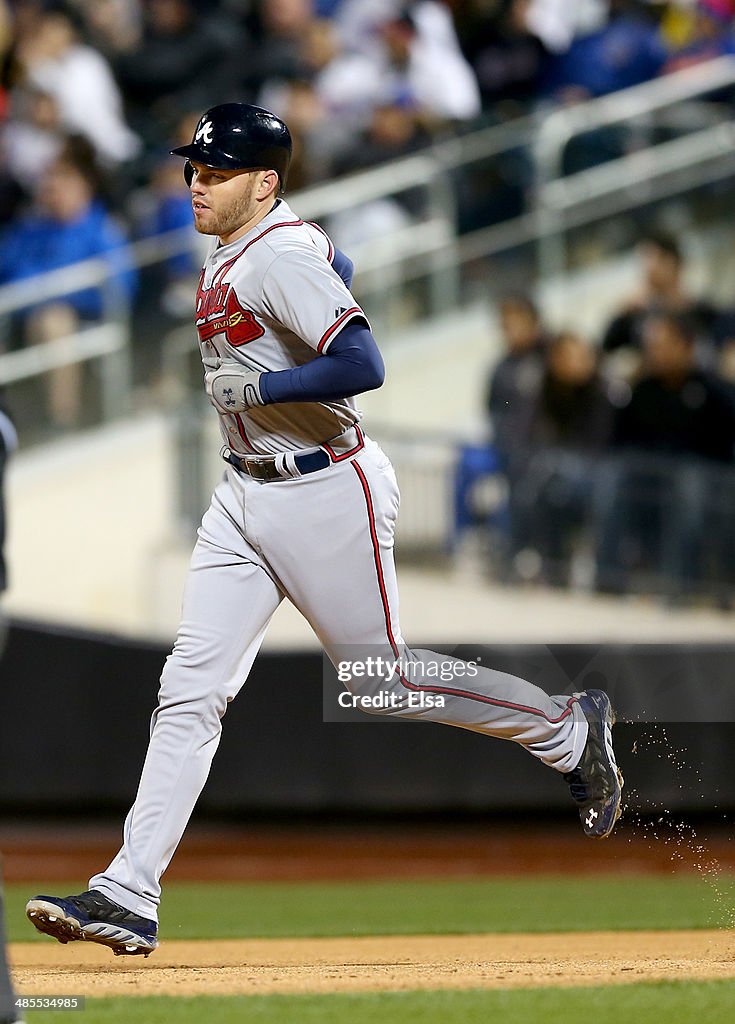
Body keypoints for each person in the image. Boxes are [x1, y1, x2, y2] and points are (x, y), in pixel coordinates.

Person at [26, 103, 623, 957]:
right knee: (189, 692)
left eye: (217, 170)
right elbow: (336, 258)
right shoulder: (253, 242)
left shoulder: (277, 252)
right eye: (194, 167)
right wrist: (315, 254)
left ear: (263, 183)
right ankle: (129, 892)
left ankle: (566, 726)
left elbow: (363, 361)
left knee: (382, 682)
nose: (197, 180)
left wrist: (262, 389)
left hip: (322, 490)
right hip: (242, 498)